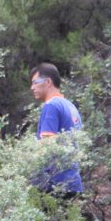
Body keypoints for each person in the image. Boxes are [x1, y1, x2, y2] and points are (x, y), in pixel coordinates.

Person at [29, 63, 84, 196]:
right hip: (73, 183)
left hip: (54, 185)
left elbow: (47, 145)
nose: (32, 88)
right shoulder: (70, 106)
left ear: (48, 82)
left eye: (35, 83)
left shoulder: (51, 106)